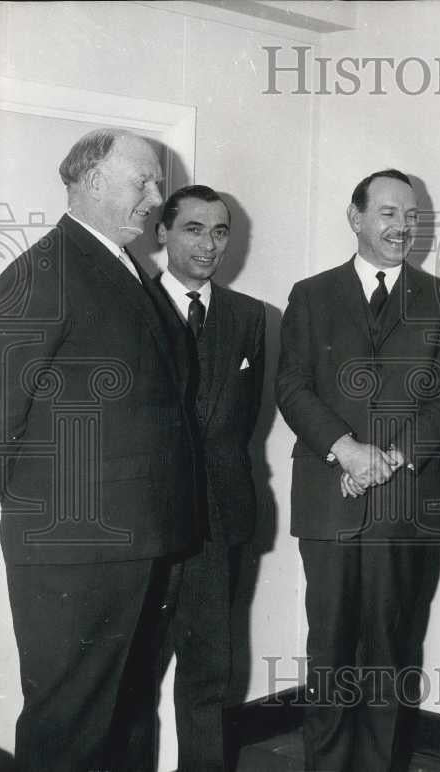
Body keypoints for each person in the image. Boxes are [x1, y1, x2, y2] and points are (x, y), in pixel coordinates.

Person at [0, 128, 200, 770]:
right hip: (73, 546)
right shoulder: (41, 273)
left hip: (135, 537)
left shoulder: (126, 268)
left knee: (127, 713)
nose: (157, 198)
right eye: (144, 182)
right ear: (92, 181)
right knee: (71, 722)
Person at [276, 169, 440, 771]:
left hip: (407, 498)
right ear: (356, 218)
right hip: (331, 496)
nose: (402, 227)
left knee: (391, 651)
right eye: (388, 213)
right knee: (329, 648)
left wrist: (390, 458)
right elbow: (291, 385)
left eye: (411, 216)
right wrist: (347, 448)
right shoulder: (311, 294)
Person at [153, 184, 266, 770]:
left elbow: (242, 422)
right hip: (142, 526)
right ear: (162, 233)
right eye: (194, 228)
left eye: (220, 232)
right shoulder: (132, 303)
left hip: (220, 524)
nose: (209, 244)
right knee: (128, 678)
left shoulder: (249, 318)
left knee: (209, 678)